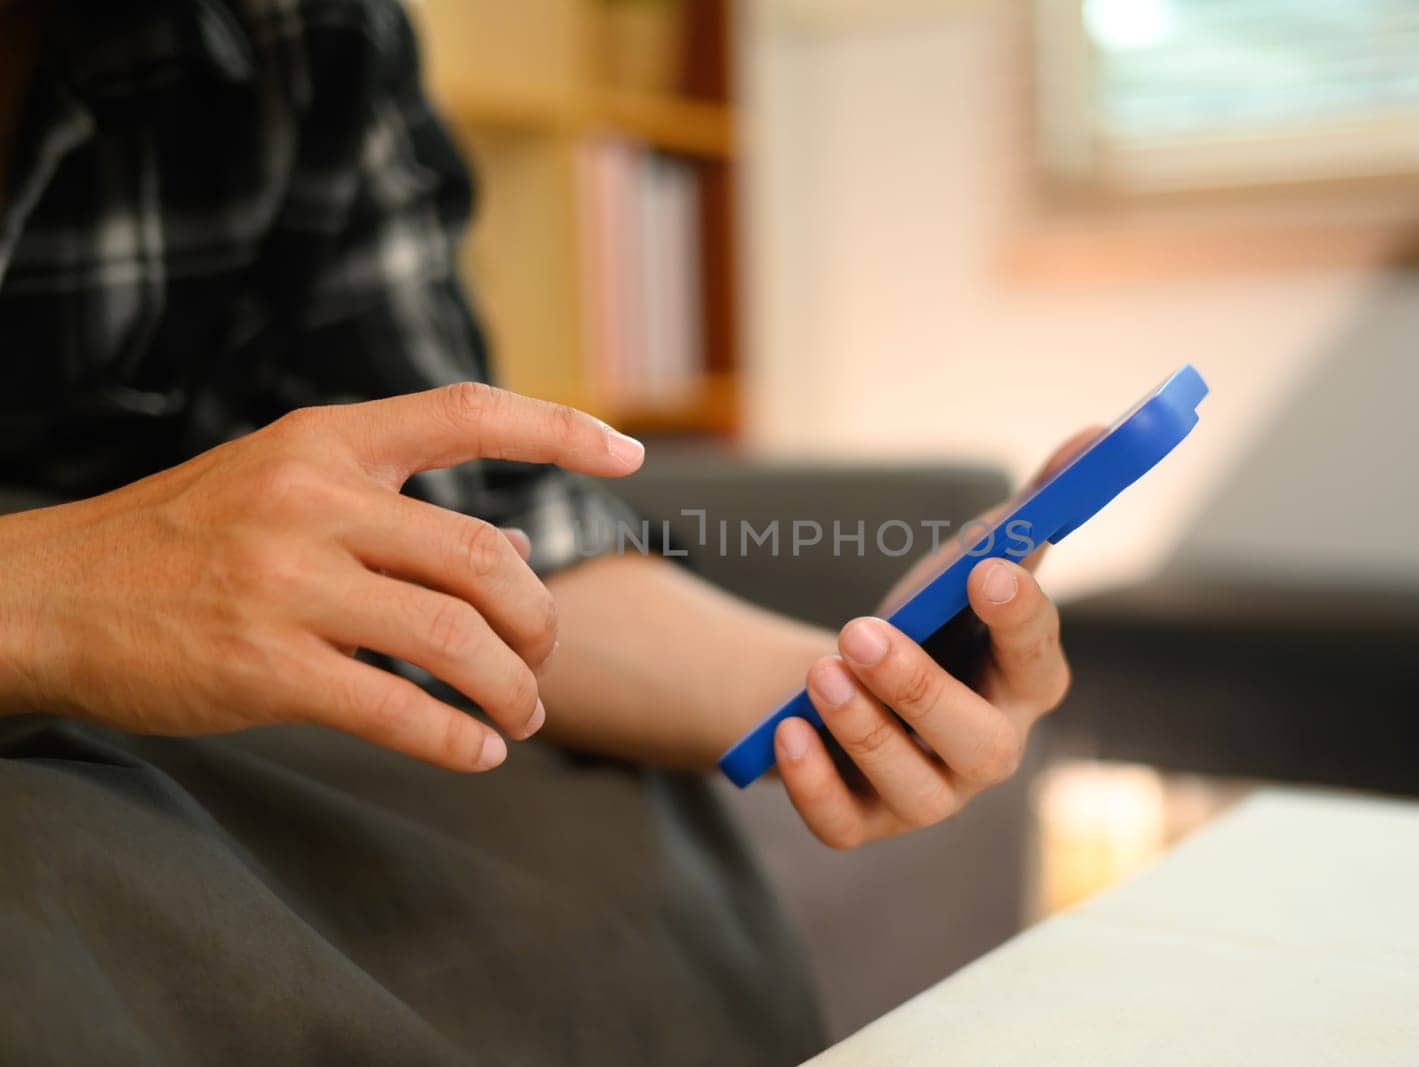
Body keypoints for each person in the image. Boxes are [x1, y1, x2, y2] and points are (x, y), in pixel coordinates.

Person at [0, 0, 1077, 1062]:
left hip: (216, 704)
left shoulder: (306, 33)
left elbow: (484, 534)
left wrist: (845, 683)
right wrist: (53, 590)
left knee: (591, 841)